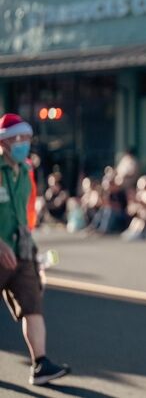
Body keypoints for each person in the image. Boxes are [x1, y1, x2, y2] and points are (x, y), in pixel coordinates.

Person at [0, 113, 71, 385]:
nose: (26, 144)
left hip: (22, 250)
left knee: (33, 305)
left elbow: (27, 211)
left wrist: (30, 242)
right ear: (5, 141)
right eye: (21, 139)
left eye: (28, 139)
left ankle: (41, 364)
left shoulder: (27, 169)